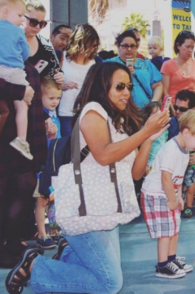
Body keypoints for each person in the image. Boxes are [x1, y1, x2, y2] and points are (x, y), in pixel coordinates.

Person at [5, 62, 170, 294]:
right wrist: (144, 131)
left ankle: (64, 258)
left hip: (106, 209)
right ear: (103, 87)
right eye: (120, 86)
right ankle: (37, 268)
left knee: (100, 276)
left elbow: (135, 173)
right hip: (86, 210)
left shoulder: (118, 121)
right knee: (109, 284)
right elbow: (103, 155)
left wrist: (149, 139)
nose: (127, 92)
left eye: (129, 87)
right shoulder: (93, 111)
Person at [139, 110, 195, 279]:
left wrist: (178, 197)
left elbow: (178, 178)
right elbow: (165, 177)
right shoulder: (171, 149)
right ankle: (162, 265)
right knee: (166, 231)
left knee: (174, 228)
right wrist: (172, 199)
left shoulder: (185, 150)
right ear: (186, 132)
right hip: (156, 194)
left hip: (169, 194)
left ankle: (171, 258)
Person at [0, 63, 41, 269]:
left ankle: (13, 240)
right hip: (4, 134)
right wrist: (18, 90)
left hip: (22, 136)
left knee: (25, 184)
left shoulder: (17, 47)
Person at [0, 0, 33, 159]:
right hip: (14, 71)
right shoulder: (17, 32)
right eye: (20, 15)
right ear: (5, 12)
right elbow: (26, 54)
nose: (22, 20)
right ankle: (22, 139)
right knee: (22, 105)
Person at [33, 77, 62, 251]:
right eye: (51, 98)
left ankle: (53, 231)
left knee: (53, 199)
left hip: (53, 164)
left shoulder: (54, 115)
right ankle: (41, 234)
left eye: (58, 98)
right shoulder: (41, 118)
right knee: (41, 200)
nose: (55, 102)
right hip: (42, 166)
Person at [57, 24, 100, 137]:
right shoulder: (61, 56)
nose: (92, 49)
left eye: (95, 45)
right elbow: (46, 84)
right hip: (65, 113)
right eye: (89, 45)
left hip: (87, 113)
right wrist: (60, 86)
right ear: (78, 42)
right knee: (67, 149)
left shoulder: (96, 61)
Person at [106, 30, 163, 109]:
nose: (129, 49)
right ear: (118, 47)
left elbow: (158, 85)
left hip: (145, 111)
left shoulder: (146, 64)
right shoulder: (109, 64)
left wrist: (154, 102)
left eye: (132, 46)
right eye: (125, 46)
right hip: (119, 111)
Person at [22, 0, 64, 85]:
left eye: (42, 24)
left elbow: (56, 70)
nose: (38, 27)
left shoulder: (45, 44)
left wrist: (60, 76)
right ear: (21, 17)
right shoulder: (9, 41)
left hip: (39, 97)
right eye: (33, 22)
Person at [161, 30, 195, 106]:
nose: (190, 50)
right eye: (187, 47)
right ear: (178, 46)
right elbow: (165, 91)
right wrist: (172, 109)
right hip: (175, 106)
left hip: (192, 108)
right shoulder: (167, 65)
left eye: (192, 47)